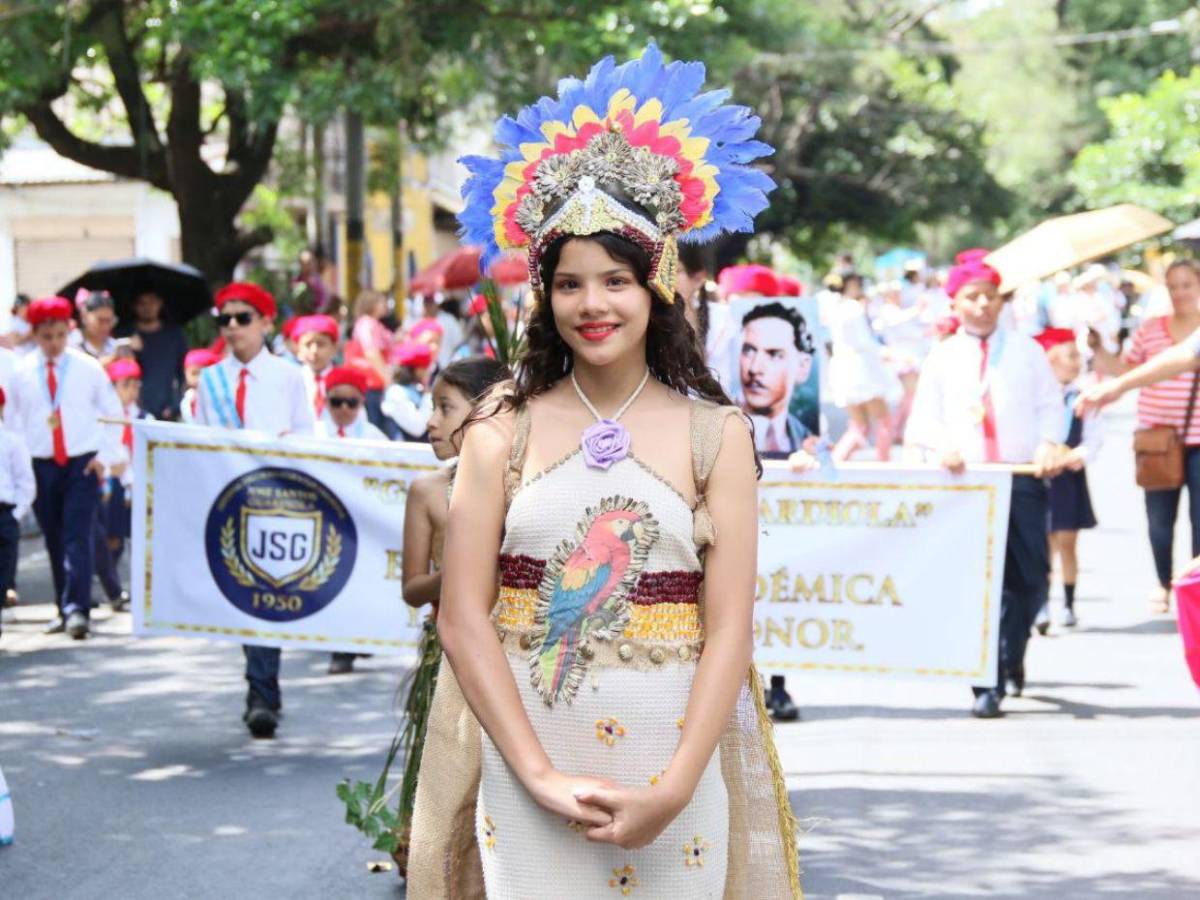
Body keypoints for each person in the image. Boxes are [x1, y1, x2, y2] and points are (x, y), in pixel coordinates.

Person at [406, 45, 798, 898]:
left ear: (657, 284)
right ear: (543, 295)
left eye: (616, 280)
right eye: (570, 283)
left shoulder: (715, 435)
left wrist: (677, 787)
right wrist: (539, 775)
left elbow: (729, 627)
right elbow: (464, 620)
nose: (593, 305)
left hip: (674, 774)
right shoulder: (498, 431)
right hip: (529, 765)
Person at [904, 250, 1065, 718]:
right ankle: (986, 679)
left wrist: (1049, 443)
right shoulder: (943, 356)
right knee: (978, 585)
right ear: (955, 304)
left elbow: (1050, 406)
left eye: (990, 297)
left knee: (1030, 579)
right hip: (968, 485)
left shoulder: (1027, 350)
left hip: (1021, 478)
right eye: (972, 297)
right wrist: (942, 448)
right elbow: (923, 421)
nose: (982, 306)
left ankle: (1013, 654)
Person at [390, 356, 512, 865]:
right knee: (450, 769)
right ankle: (440, 857)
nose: (430, 423)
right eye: (432, 407)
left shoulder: (525, 485)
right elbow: (413, 588)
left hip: (513, 648)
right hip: (451, 653)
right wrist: (462, 568)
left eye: (445, 408)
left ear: (485, 414)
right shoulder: (428, 491)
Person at [195, 282, 314, 738]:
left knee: (267, 590)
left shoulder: (286, 377)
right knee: (244, 594)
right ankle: (262, 685)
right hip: (229, 499)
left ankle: (260, 691)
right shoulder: (211, 380)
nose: (231, 327)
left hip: (274, 500)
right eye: (224, 319)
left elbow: (306, 437)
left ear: (265, 322)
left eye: (242, 317)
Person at [1080, 259, 1200, 614]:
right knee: (1160, 519)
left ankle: (1194, 589)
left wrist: (1115, 387)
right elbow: (1175, 359)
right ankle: (1165, 583)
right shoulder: (1152, 330)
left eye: (1187, 285)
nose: (1180, 293)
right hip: (1157, 438)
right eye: (1173, 286)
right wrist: (1103, 358)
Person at [8, 297, 124, 639]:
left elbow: (112, 412)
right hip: (40, 462)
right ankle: (64, 605)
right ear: (35, 334)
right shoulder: (22, 370)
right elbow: (12, 422)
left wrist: (103, 456)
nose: (54, 344)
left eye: (59, 335)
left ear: (68, 331)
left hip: (81, 461)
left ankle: (78, 609)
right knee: (54, 536)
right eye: (46, 337)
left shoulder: (87, 367)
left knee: (77, 533)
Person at [1034, 328, 1103, 632]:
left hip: (1069, 478)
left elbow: (1094, 437)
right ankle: (1041, 604)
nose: (1077, 362)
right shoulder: (1034, 398)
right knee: (1042, 544)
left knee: (1067, 543)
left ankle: (1069, 603)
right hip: (1041, 476)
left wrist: (1081, 454)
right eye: (1071, 356)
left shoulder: (1082, 397)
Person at [93, 358, 150, 612]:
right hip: (112, 486)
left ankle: (139, 589)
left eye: (135, 385)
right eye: (125, 385)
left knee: (138, 538)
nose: (131, 390)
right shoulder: (105, 417)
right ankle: (111, 586)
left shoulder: (145, 418)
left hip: (137, 484)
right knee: (111, 539)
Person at [828, 273, 900, 461]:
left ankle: (833, 466)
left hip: (843, 367)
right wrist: (883, 351)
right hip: (861, 368)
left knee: (859, 426)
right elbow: (862, 340)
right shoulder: (853, 307)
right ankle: (884, 466)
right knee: (883, 420)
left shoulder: (836, 307)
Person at [738, 301, 815, 458]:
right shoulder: (718, 431)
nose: (755, 369)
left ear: (803, 366)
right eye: (749, 350)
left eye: (774, 354)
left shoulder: (806, 437)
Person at [0, 386, 35, 641]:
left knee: (3, 571)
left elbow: (25, 482)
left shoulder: (11, 441)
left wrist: (16, 515)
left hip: (4, 513)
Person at [127, 289, 188, 420]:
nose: (147, 307)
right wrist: (128, 348)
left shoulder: (175, 335)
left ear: (160, 303)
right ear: (134, 306)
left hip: (168, 411)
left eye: (152, 302)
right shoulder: (126, 335)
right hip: (134, 412)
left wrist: (176, 405)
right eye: (142, 303)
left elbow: (183, 373)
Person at [348, 290, 396, 434]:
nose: (385, 305)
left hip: (375, 383)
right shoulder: (366, 324)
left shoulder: (373, 324)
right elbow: (371, 352)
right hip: (371, 383)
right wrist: (387, 378)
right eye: (381, 302)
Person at [313, 365, 389, 442]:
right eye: (336, 402)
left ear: (362, 402)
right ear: (326, 401)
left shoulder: (374, 437)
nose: (344, 408)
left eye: (351, 402)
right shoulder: (314, 432)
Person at [382, 341, 434, 441]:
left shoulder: (417, 389)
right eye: (425, 368)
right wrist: (428, 395)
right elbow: (417, 428)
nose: (428, 372)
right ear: (417, 369)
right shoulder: (396, 393)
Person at [292, 314, 340, 420]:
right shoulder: (292, 380)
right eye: (308, 344)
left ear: (334, 348)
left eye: (321, 344)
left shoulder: (344, 382)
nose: (314, 351)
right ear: (297, 348)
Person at [69, 290, 120, 365]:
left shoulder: (114, 346)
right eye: (100, 320)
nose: (105, 326)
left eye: (109, 321)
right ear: (84, 316)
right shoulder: (71, 343)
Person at [179, 348, 220, 424]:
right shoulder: (187, 397)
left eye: (204, 374)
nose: (199, 379)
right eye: (194, 373)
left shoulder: (219, 397)